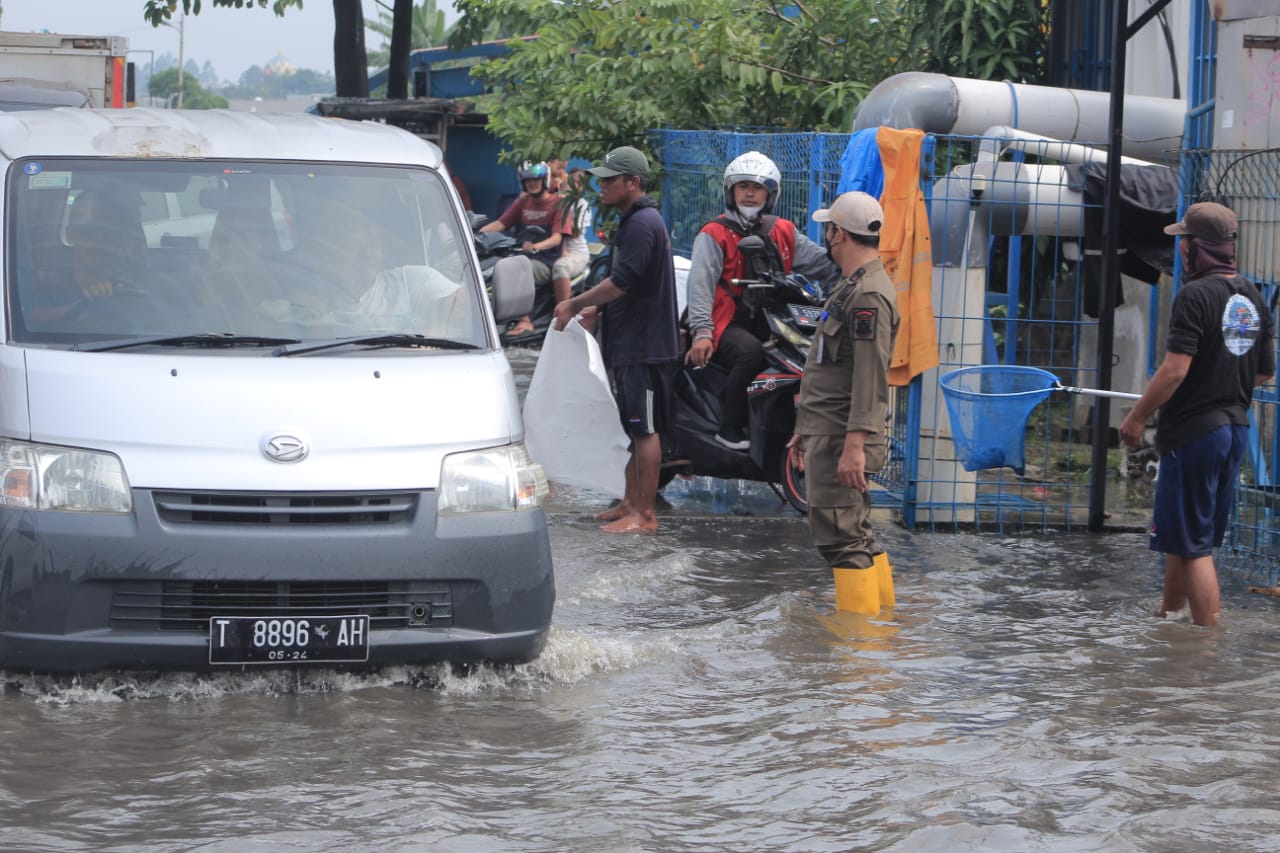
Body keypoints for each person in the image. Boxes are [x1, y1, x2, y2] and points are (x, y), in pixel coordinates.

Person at [1120, 201, 1275, 627]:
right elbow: (1263, 371)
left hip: (1195, 434)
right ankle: (1168, 618)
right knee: (1180, 536)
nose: (1181, 249)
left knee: (1195, 547)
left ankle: (1206, 649)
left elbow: (1174, 370)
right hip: (1233, 430)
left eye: (1184, 240)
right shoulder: (1253, 296)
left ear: (1197, 248)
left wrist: (1136, 417)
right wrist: (1224, 380)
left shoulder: (1194, 295)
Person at [552, 146, 680, 533]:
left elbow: (623, 282)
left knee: (644, 428)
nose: (602, 186)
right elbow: (632, 284)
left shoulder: (643, 224)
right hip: (631, 340)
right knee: (633, 426)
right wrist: (601, 310)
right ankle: (629, 502)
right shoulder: (634, 222)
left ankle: (645, 514)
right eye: (602, 179)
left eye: (610, 180)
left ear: (633, 183)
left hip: (645, 345)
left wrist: (574, 303)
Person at [786, 192, 900, 615]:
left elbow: (869, 379)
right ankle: (880, 626)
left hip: (842, 435)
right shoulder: (852, 287)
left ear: (837, 233)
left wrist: (854, 446)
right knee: (856, 533)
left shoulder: (867, 295)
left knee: (841, 538)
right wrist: (804, 427)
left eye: (828, 228)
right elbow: (828, 370)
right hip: (828, 428)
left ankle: (858, 649)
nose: (826, 237)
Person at [684, 151, 839, 450]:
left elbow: (822, 264)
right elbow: (699, 286)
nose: (750, 193)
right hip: (723, 322)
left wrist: (854, 263)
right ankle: (730, 428)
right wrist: (702, 333)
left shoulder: (782, 230)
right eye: (743, 186)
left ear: (771, 193)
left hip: (771, 321)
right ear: (731, 191)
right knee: (750, 353)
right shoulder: (713, 233)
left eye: (757, 187)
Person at [481, 160, 571, 339]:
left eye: (535, 180)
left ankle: (525, 320)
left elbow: (556, 239)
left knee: (514, 272)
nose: (531, 184)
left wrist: (536, 247)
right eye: (527, 181)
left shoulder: (559, 204)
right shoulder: (523, 202)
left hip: (545, 261)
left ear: (544, 181)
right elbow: (501, 223)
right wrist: (472, 234)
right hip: (521, 256)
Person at [551, 168, 593, 307]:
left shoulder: (582, 205)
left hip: (575, 252)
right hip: (550, 248)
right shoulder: (553, 197)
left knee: (560, 267)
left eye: (580, 184)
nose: (576, 186)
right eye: (573, 181)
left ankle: (562, 313)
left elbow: (575, 231)